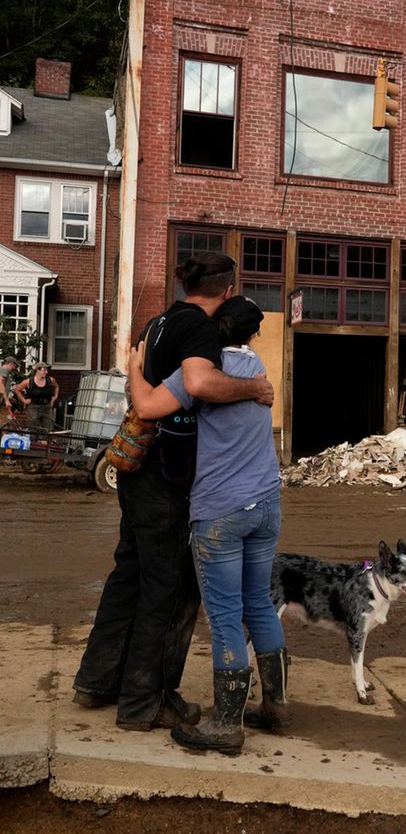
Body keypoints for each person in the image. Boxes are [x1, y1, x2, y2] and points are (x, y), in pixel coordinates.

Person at [72, 252, 274, 732]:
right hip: (168, 477)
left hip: (137, 471)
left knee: (129, 576)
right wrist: (253, 389)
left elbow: (139, 385)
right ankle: (146, 702)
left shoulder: (157, 322)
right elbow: (200, 382)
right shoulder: (200, 330)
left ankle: (97, 681)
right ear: (227, 291)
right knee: (171, 588)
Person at [127, 296, 288, 754]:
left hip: (220, 511)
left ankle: (226, 725)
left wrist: (135, 366)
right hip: (266, 505)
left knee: (223, 617)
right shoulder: (258, 369)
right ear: (252, 334)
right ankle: (276, 706)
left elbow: (146, 407)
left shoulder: (197, 375)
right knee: (257, 601)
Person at [14, 362, 59, 431]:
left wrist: (55, 397)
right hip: (33, 407)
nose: (46, 372)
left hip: (47, 407)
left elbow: (56, 387)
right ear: (38, 370)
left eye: (47, 370)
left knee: (48, 427)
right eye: (44, 370)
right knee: (33, 427)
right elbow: (17, 389)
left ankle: (45, 441)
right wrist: (24, 400)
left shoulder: (50, 380)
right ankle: (35, 441)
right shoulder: (29, 381)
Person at [1, 355, 18, 425]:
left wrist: (8, 398)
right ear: (10, 363)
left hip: (2, 401)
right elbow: (0, 384)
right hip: (2, 403)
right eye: (14, 365)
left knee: (6, 420)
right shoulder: (4, 370)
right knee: (4, 423)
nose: (14, 368)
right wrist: (7, 400)